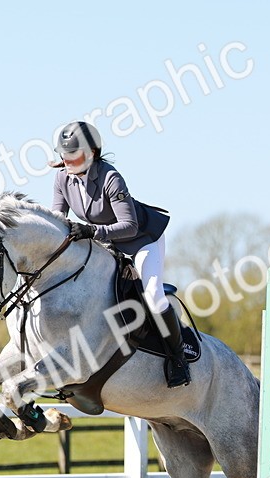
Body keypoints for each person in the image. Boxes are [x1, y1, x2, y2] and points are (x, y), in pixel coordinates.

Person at [49, 120, 190, 388]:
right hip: (107, 242)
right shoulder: (61, 179)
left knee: (153, 296)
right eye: (63, 154)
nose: (67, 160)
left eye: (73, 154)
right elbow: (58, 219)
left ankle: (178, 359)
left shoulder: (110, 178)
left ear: (91, 153)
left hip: (141, 241)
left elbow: (130, 225)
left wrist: (91, 231)